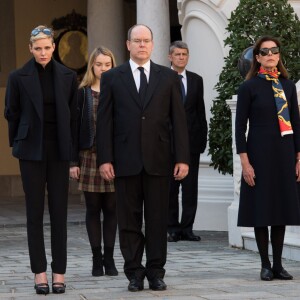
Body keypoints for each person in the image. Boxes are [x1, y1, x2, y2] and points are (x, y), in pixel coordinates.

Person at [96, 24, 190, 292]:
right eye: (136, 41)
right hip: (124, 161)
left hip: (160, 160)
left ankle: (156, 272)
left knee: (159, 219)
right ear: (128, 45)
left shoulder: (168, 78)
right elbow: (104, 122)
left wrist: (182, 158)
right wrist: (105, 159)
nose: (141, 45)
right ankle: (134, 273)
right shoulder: (112, 77)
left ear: (152, 44)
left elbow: (179, 122)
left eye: (146, 41)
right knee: (129, 220)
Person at [4, 25, 78, 294]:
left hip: (59, 151)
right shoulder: (17, 77)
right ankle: (40, 273)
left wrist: (73, 156)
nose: (43, 52)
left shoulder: (68, 77)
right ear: (30, 49)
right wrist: (20, 141)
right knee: (34, 213)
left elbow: (73, 117)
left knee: (60, 212)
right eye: (38, 48)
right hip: (31, 152)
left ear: (54, 47)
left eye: (47, 47)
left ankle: (59, 273)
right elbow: (11, 112)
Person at [235, 36, 300, 281]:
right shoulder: (248, 87)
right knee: (262, 208)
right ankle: (264, 264)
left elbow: (295, 121)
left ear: (278, 55)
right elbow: (240, 127)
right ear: (258, 57)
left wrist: (298, 157)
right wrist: (245, 162)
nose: (271, 54)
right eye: (265, 51)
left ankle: (279, 265)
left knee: (281, 209)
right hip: (259, 154)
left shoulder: (289, 85)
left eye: (275, 50)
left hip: (284, 153)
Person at [69, 47, 118, 277]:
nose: (103, 68)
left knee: (111, 209)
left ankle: (109, 259)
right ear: (92, 66)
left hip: (114, 159)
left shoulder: (119, 91)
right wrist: (72, 162)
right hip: (88, 157)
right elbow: (73, 129)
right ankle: (96, 259)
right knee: (92, 209)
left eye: (107, 64)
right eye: (99, 64)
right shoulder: (82, 93)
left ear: (112, 65)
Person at [167, 41, 207, 242]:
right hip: (168, 143)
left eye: (184, 54)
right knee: (171, 188)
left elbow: (200, 111)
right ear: (170, 57)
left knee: (191, 188)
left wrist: (202, 140)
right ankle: (172, 228)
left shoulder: (196, 80)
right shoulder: (163, 78)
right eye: (178, 54)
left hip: (191, 142)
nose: (181, 57)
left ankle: (187, 228)